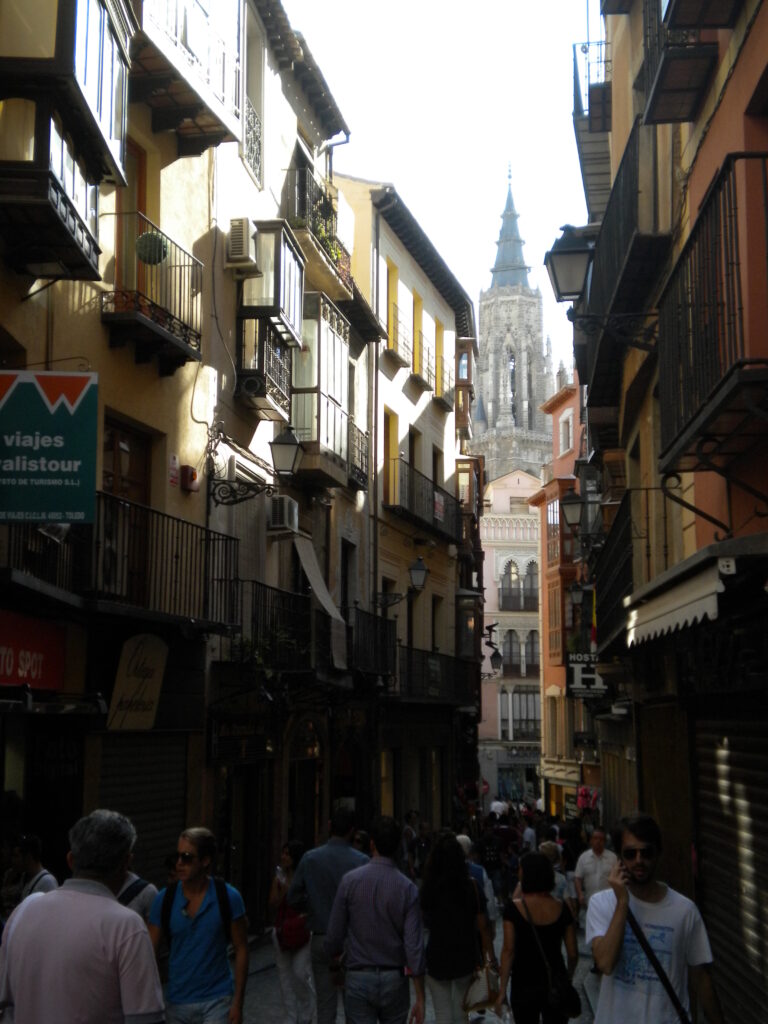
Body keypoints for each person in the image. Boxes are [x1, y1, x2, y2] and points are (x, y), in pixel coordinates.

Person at [0, 808, 164, 1024]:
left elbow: (6, 1005)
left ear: (70, 860)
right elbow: (146, 1019)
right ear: (126, 863)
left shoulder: (23, 913)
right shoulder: (126, 927)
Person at [587, 813, 725, 1024]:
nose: (639, 860)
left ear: (658, 853)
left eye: (646, 852)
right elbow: (605, 963)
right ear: (619, 858)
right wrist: (623, 903)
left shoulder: (685, 910)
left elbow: (701, 978)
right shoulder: (602, 904)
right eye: (630, 854)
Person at [325, 815, 425, 1024]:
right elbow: (413, 947)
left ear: (372, 844)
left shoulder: (350, 882)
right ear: (398, 846)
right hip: (394, 979)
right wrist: (420, 996)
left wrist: (335, 962)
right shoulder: (407, 888)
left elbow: (334, 935)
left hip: (358, 975)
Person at [148, 826, 249, 1024]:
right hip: (176, 1002)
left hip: (217, 1000)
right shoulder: (164, 900)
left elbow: (242, 948)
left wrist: (237, 1003)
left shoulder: (228, 897)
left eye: (186, 857)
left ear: (205, 861)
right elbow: (150, 952)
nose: (179, 864)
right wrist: (156, 998)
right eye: (177, 856)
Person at [288, 806, 369, 1024]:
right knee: (354, 1005)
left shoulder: (310, 859)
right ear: (352, 831)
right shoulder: (361, 861)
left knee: (325, 1004)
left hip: (322, 937)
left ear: (330, 826)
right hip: (352, 941)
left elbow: (293, 897)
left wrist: (312, 906)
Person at [495, 852, 578, 1024]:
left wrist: (502, 989)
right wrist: (568, 978)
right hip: (555, 979)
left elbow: (508, 951)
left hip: (523, 981)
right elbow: (572, 953)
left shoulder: (514, 909)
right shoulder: (562, 908)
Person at [422, 833, 495, 1024]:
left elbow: (423, 921)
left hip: (436, 956)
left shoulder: (429, 888)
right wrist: (490, 957)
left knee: (443, 1014)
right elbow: (483, 927)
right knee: (461, 1013)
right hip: (465, 956)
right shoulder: (471, 886)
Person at [268, 840, 314, 1024]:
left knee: (300, 972)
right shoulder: (279, 878)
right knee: (284, 977)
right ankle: (291, 1017)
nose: (283, 857)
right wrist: (283, 890)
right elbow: (272, 903)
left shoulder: (306, 878)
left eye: (287, 854)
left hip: (302, 931)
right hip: (281, 931)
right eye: (283, 853)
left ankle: (306, 1012)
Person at [574, 825, 617, 919]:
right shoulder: (584, 857)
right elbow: (578, 878)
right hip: (589, 900)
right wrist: (580, 894)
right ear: (591, 841)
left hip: (608, 902)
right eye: (595, 838)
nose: (598, 841)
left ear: (605, 841)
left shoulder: (613, 858)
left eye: (601, 839)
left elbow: (617, 878)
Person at [16, 834, 58, 898]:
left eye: (17, 856)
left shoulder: (48, 881)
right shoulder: (25, 878)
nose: (14, 861)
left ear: (28, 857)